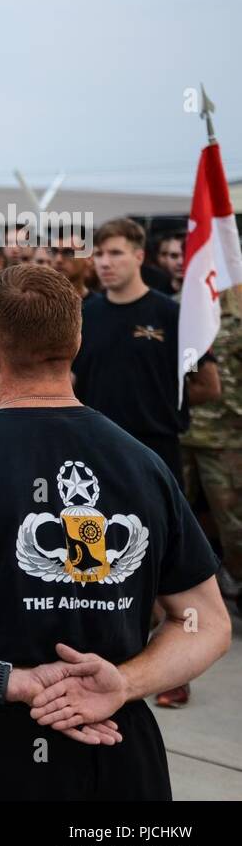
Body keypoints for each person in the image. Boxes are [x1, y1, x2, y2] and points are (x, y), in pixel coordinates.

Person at [0, 263, 232, 800]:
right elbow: (207, 623)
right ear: (77, 341)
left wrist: (11, 681)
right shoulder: (144, 466)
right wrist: (123, 684)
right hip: (120, 747)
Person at [72, 218, 220, 483]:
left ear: (139, 256)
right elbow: (72, 379)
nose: (105, 262)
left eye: (116, 253)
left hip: (156, 451)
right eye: (100, 254)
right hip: (97, 449)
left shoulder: (172, 316)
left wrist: (160, 405)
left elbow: (205, 382)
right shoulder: (85, 316)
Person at [174, 286, 242, 705]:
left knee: (233, 529)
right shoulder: (182, 313)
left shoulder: (234, 317)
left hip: (227, 437)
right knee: (181, 528)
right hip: (182, 434)